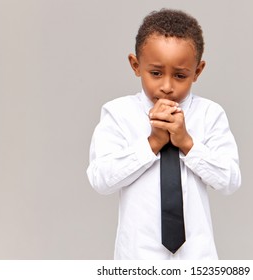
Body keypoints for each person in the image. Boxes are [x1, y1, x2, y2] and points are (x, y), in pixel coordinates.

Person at [87, 8, 241, 260]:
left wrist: (187, 144)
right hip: (137, 258)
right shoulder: (118, 113)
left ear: (198, 71)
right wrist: (153, 143)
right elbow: (101, 180)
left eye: (180, 75)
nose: (167, 86)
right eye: (156, 73)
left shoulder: (210, 115)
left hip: (197, 258)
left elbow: (230, 181)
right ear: (136, 65)